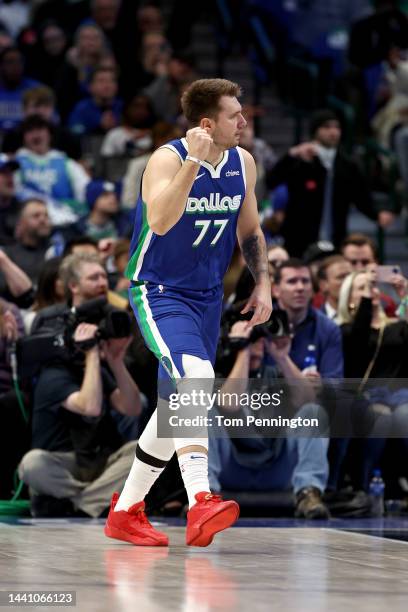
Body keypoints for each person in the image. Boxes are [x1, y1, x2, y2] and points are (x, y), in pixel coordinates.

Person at [104, 78, 272, 547]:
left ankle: (124, 511)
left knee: (178, 407)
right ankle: (202, 500)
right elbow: (159, 220)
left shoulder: (243, 162)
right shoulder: (169, 158)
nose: (244, 121)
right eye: (234, 114)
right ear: (207, 123)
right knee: (197, 381)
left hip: (207, 296)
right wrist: (195, 162)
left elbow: (251, 231)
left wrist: (264, 283)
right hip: (159, 290)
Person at [18, 252, 143, 518]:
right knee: (31, 464)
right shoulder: (54, 363)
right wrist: (90, 354)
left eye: (103, 276)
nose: (102, 282)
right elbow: (90, 407)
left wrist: (116, 360)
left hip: (99, 460)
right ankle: (97, 501)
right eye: (93, 277)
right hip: (63, 462)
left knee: (143, 450)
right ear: (72, 286)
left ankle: (78, 504)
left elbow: (132, 408)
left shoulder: (110, 322)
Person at [266, 109, 395, 257]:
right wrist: (291, 155)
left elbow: (361, 196)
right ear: (315, 130)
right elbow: (272, 181)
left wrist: (376, 214)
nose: (333, 132)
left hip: (335, 238)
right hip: (298, 239)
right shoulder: (300, 159)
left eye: (337, 127)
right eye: (327, 127)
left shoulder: (347, 165)